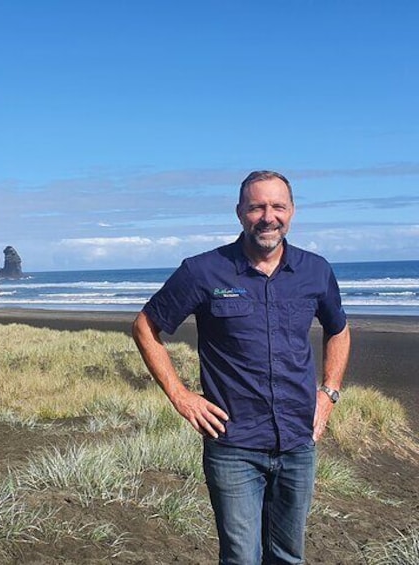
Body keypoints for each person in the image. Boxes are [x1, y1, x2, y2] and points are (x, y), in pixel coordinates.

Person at [132, 170, 350, 564]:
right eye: (257, 207)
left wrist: (329, 392)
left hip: (298, 442)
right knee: (240, 558)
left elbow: (339, 329)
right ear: (240, 213)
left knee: (288, 556)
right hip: (233, 445)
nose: (268, 216)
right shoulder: (203, 271)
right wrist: (181, 397)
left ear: (292, 212)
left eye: (278, 206)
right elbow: (146, 327)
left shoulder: (315, 270)